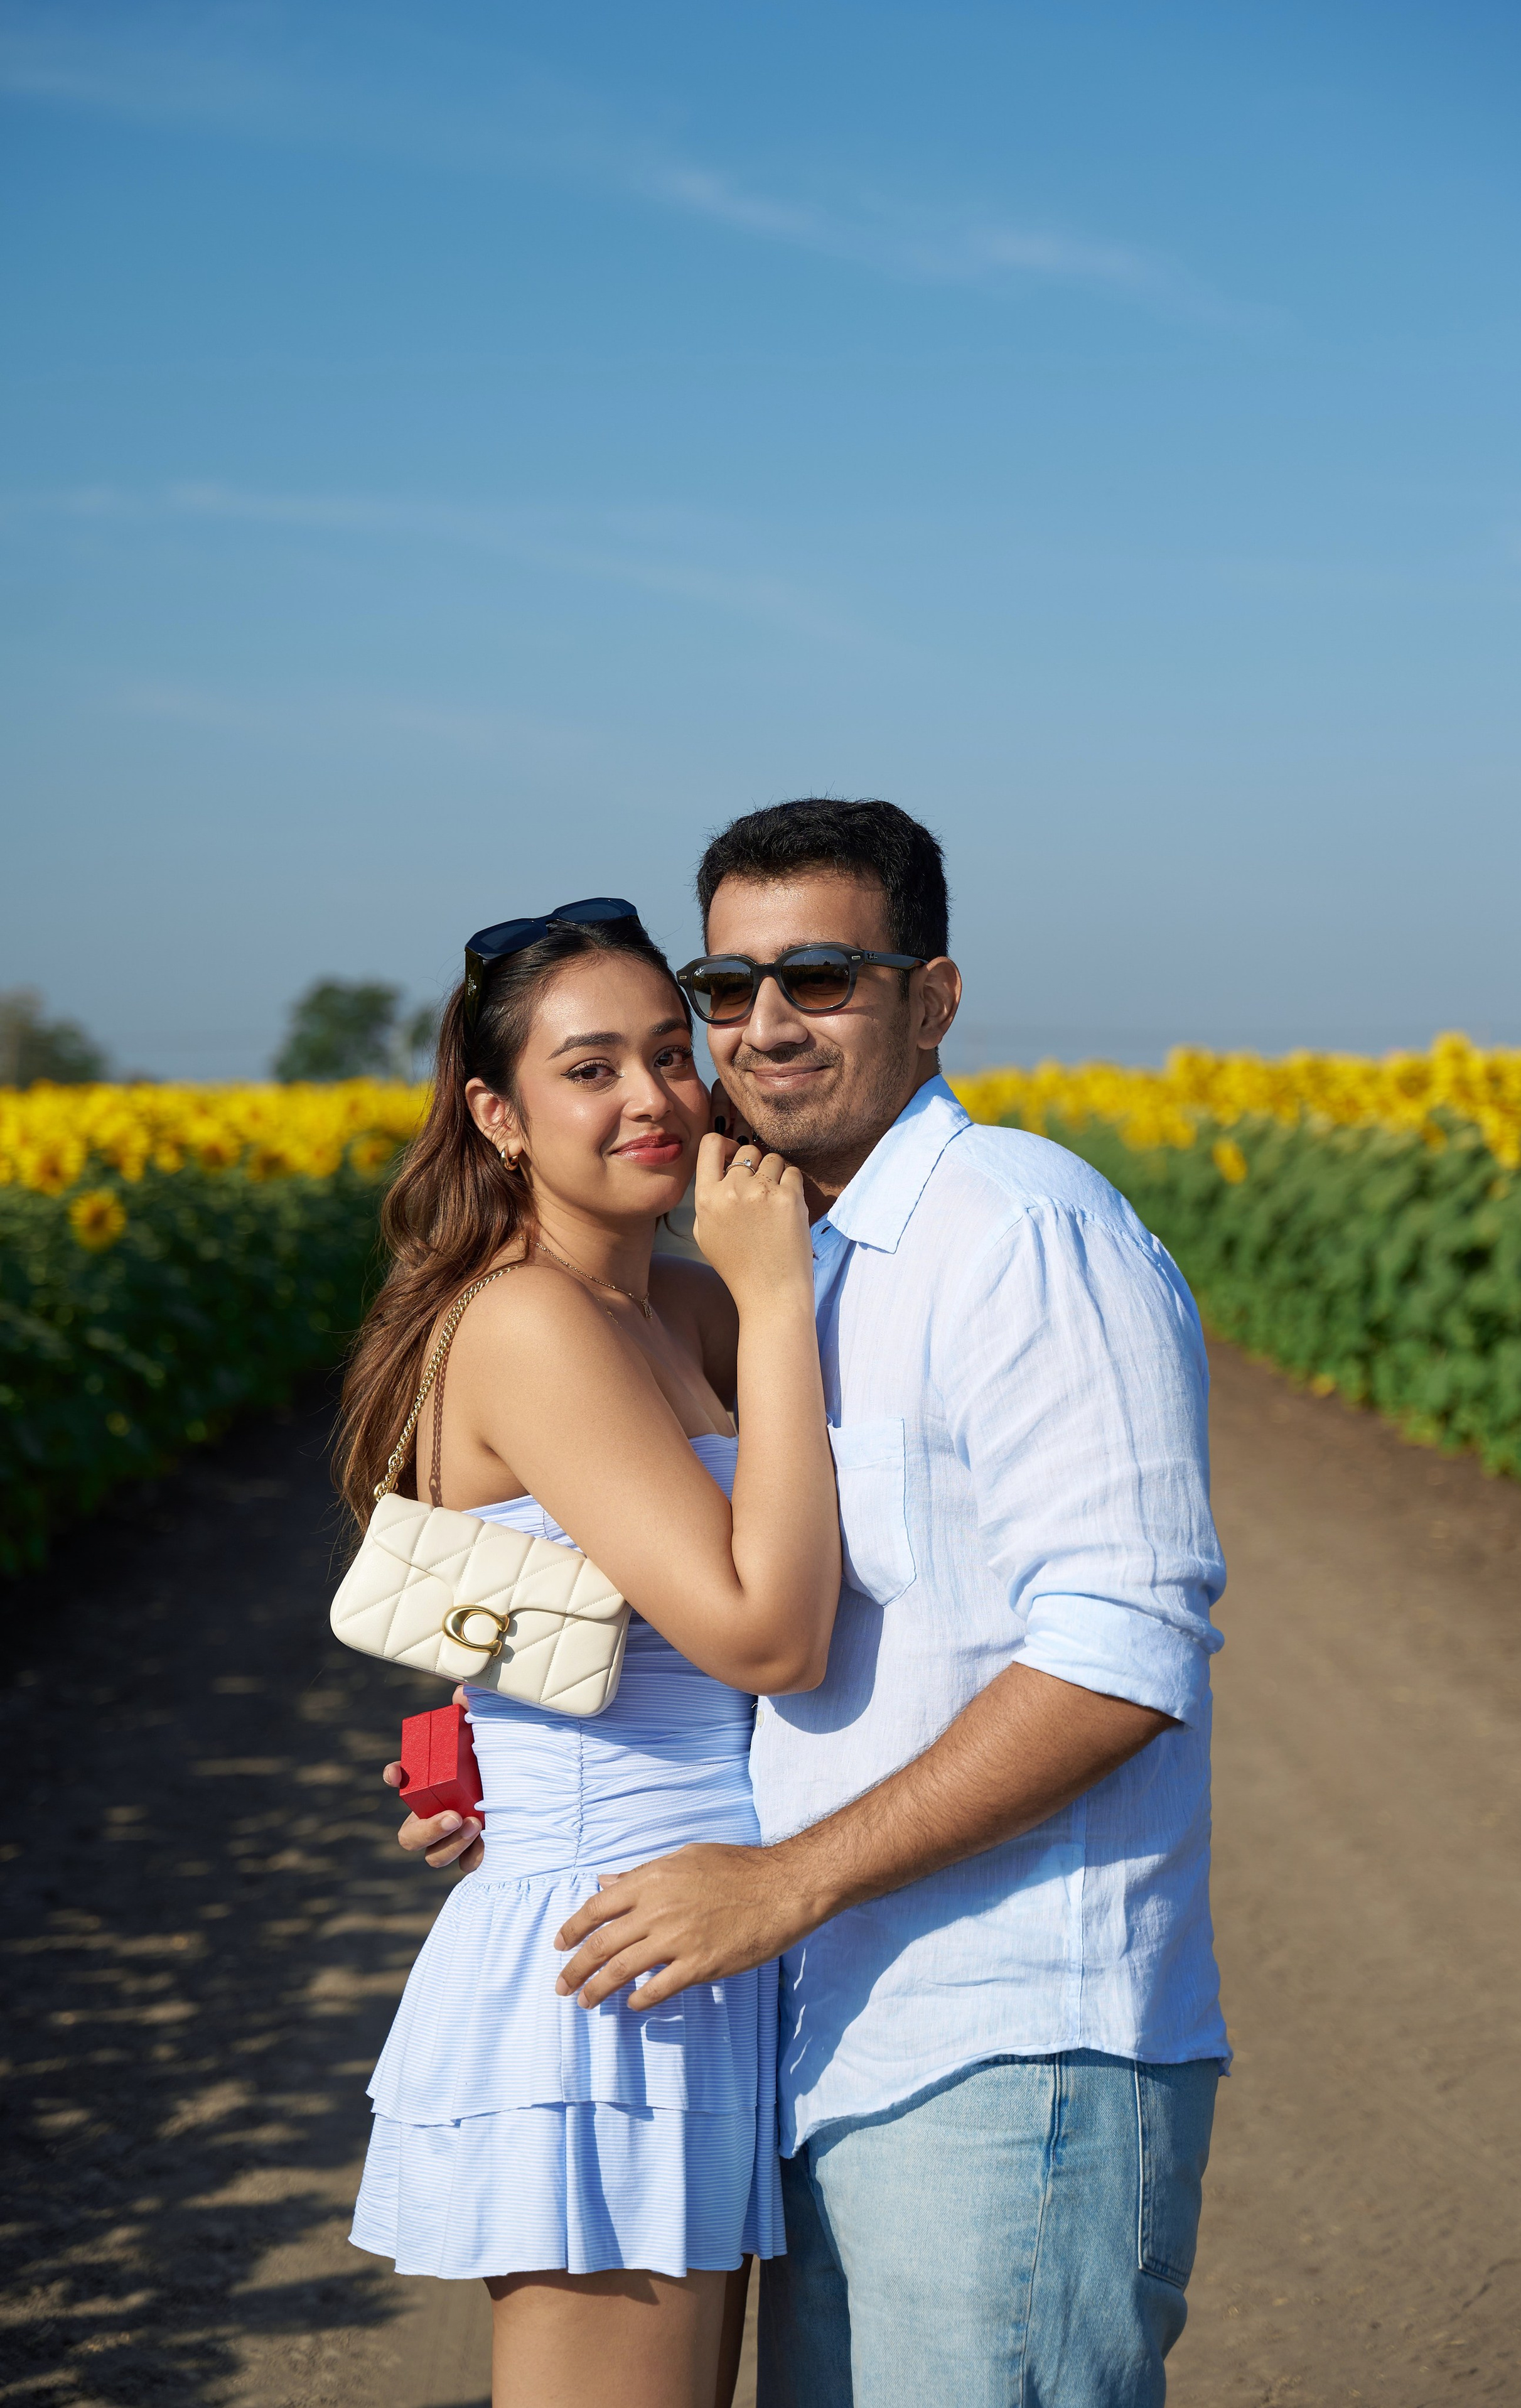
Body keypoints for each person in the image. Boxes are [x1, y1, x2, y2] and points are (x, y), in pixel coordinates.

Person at [402, 801, 1230, 2408]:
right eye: (728, 989)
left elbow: (1122, 1653)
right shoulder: (786, 1269)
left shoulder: (1011, 1231)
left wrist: (785, 1881)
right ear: (500, 1116)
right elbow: (504, 1579)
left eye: (823, 977)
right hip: (771, 2005)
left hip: (995, 2029)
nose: (753, 1031)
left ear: (932, 997)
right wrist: (478, 1759)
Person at [339, 897, 841, 2408]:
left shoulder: (665, 1303)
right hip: (608, 1961)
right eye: (589, 1069)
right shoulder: (533, 1322)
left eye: (667, 1055)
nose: (651, 1099)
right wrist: (778, 1292)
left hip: (701, 1929)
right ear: (496, 1114)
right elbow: (764, 1630)